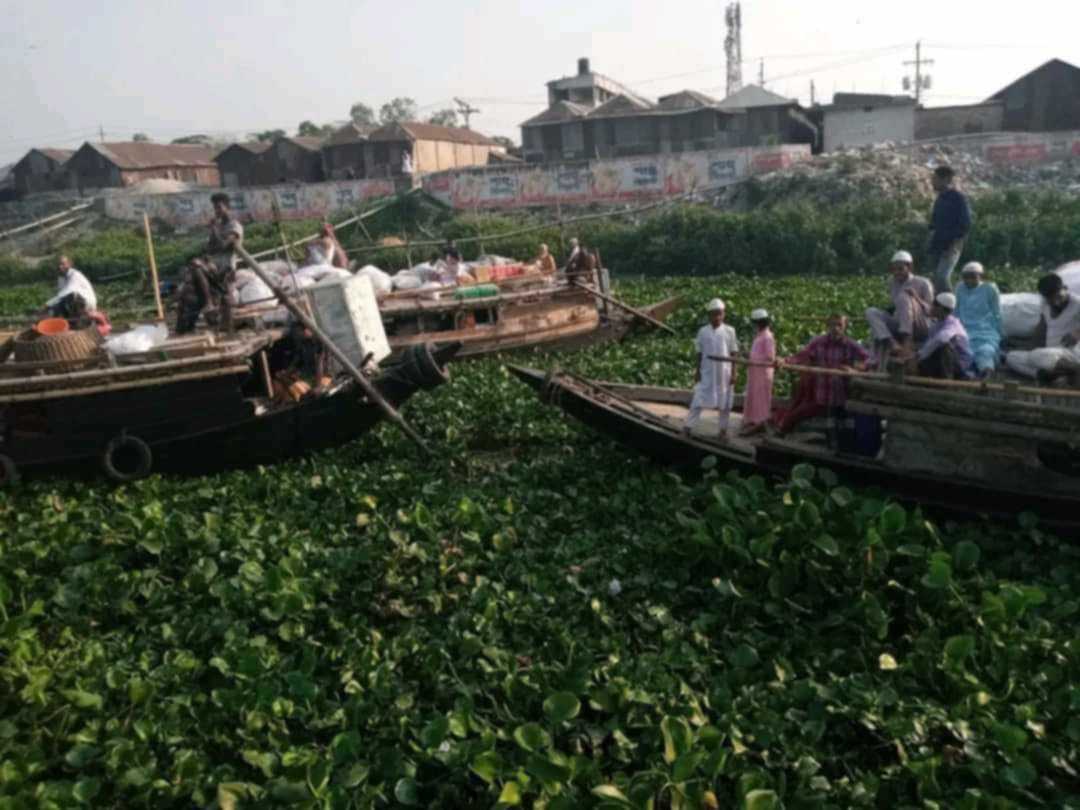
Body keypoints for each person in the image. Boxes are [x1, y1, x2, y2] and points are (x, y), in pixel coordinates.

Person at [774, 314, 869, 436]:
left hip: (841, 398)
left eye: (839, 325)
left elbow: (870, 359)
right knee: (796, 414)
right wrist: (784, 361)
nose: (836, 328)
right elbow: (801, 356)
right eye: (833, 325)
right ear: (828, 326)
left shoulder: (850, 345)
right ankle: (781, 431)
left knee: (845, 429)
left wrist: (855, 371)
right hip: (822, 398)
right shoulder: (819, 342)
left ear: (845, 327)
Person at [1005, 273, 1080, 382]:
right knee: (1011, 357)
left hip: (1071, 353)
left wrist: (1077, 333)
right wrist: (1030, 346)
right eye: (1051, 299)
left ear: (1065, 288)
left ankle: (1074, 369)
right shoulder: (1044, 303)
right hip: (1048, 353)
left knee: (1038, 356)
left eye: (1058, 297)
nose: (1055, 302)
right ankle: (1044, 375)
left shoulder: (1077, 303)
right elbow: (1042, 327)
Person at [865, 250, 934, 368]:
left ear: (910, 267)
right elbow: (895, 307)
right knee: (871, 312)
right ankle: (892, 343)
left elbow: (931, 311)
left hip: (920, 325)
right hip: (899, 322)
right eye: (895, 270)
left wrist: (915, 298)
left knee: (903, 298)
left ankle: (907, 344)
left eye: (901, 269)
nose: (897, 273)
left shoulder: (923, 282)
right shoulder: (892, 282)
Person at [685, 299, 738, 439]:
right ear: (709, 315)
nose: (717, 317)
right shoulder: (703, 331)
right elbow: (699, 353)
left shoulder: (729, 331)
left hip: (723, 372)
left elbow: (734, 353)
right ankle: (688, 426)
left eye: (719, 314)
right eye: (714, 314)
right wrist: (697, 371)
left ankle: (722, 430)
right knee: (699, 397)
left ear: (724, 314)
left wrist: (734, 373)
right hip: (707, 370)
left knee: (725, 402)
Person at [906, 292, 976, 380]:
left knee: (944, 347)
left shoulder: (953, 325)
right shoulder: (936, 325)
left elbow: (940, 339)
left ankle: (947, 381)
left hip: (959, 367)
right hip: (941, 364)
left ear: (940, 308)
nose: (931, 308)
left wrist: (917, 356)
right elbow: (928, 345)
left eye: (934, 305)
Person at [927, 165, 972, 294]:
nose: (932, 182)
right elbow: (934, 223)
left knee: (942, 277)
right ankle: (939, 309)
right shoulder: (940, 199)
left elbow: (965, 224)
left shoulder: (958, 199)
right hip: (937, 245)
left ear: (946, 180)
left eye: (935, 179)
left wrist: (955, 244)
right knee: (935, 280)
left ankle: (953, 307)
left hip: (951, 246)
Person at [954, 262, 1001, 378]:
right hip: (964, 330)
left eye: (973, 276)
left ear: (980, 276)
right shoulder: (960, 288)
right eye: (966, 277)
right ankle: (968, 373)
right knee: (961, 351)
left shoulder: (989, 289)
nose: (969, 280)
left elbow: (997, 313)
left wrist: (999, 333)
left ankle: (986, 374)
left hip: (985, 331)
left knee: (985, 351)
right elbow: (956, 311)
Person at [175, 256, 234, 335]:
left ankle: (222, 329)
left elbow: (218, 283)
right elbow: (204, 284)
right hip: (193, 298)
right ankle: (185, 331)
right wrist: (209, 302)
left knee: (187, 320)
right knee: (187, 320)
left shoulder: (204, 271)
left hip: (192, 299)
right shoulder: (198, 270)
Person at [740, 309, 775, 436]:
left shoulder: (768, 337)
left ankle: (760, 423)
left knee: (761, 399)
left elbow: (770, 357)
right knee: (753, 396)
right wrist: (748, 355)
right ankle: (752, 421)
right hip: (755, 372)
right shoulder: (760, 335)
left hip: (763, 373)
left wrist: (750, 356)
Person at [207, 192, 244, 272]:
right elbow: (209, 248)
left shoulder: (235, 226)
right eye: (215, 208)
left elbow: (223, 245)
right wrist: (214, 230)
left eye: (219, 207)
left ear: (227, 207)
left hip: (226, 266)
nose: (216, 211)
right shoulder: (218, 226)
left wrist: (214, 228)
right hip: (213, 263)